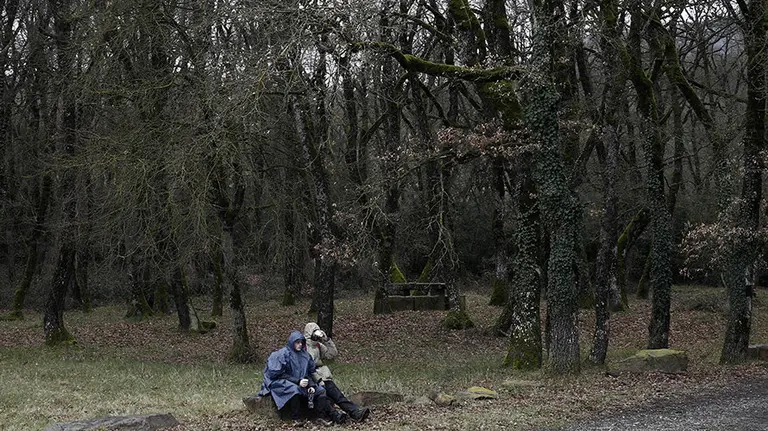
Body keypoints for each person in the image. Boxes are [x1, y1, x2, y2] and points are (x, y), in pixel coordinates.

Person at [258, 330, 347, 426]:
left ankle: (319, 417)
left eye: (301, 342)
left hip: (301, 382)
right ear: (292, 342)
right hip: (281, 382)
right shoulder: (282, 354)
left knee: (320, 390)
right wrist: (297, 381)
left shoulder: (305, 355)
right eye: (297, 342)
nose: (300, 345)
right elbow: (277, 374)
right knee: (294, 389)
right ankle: (295, 418)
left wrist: (311, 384)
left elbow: (309, 372)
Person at [303, 322, 371, 422]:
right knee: (323, 396)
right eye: (314, 332)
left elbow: (332, 354)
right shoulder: (303, 347)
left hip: (323, 377)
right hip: (312, 379)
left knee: (338, 395)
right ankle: (337, 416)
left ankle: (355, 412)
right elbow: (306, 366)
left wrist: (327, 340)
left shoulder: (318, 346)